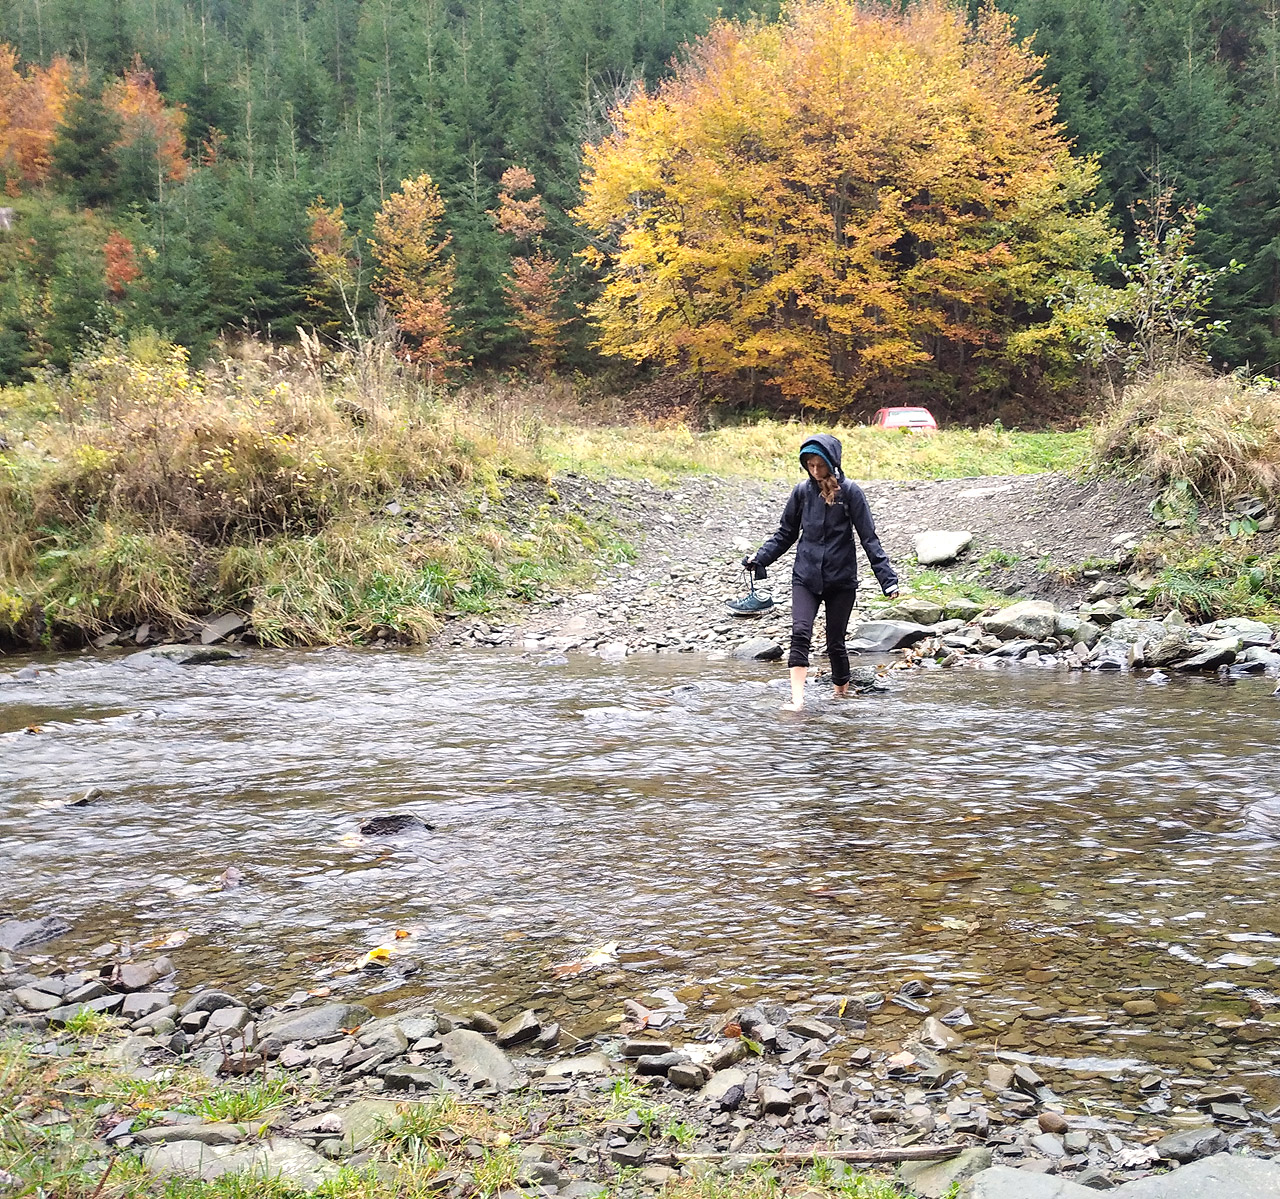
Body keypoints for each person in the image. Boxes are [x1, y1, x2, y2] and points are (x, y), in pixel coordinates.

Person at [744, 434, 899, 711]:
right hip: (805, 577)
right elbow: (786, 533)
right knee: (800, 632)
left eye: (820, 465)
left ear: (832, 462)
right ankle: (797, 701)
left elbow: (869, 539)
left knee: (835, 643)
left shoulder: (851, 493)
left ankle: (841, 696)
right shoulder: (802, 492)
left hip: (841, 580)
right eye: (810, 465)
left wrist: (887, 580)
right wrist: (760, 559)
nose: (815, 471)